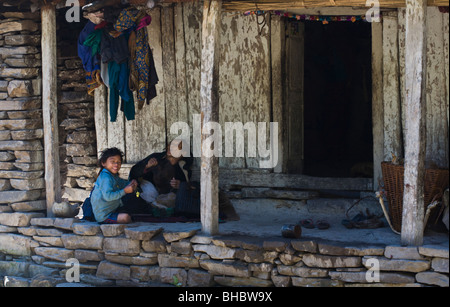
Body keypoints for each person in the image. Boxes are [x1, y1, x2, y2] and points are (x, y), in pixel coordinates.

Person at [129, 139, 240, 221]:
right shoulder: (156, 158)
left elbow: (187, 186)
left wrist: (180, 185)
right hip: (148, 194)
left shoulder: (183, 166)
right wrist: (146, 167)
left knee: (177, 198)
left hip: (168, 197)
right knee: (142, 194)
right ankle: (154, 207)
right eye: (171, 145)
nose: (171, 148)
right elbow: (134, 172)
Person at [91, 147, 148, 224]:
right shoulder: (106, 178)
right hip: (104, 215)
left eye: (119, 162)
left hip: (113, 209)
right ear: (103, 163)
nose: (116, 164)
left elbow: (122, 183)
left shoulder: (113, 176)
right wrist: (124, 191)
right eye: (113, 161)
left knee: (134, 202)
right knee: (126, 218)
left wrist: (131, 183)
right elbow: (108, 196)